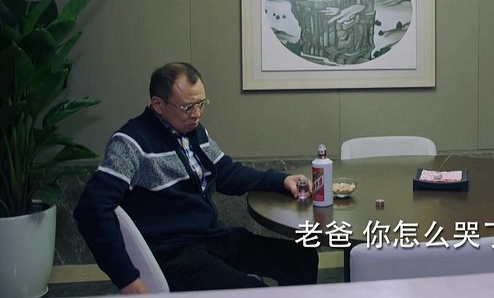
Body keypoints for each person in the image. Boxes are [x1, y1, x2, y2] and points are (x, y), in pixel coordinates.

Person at [74, 62, 318, 293]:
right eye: (187, 107)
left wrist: (281, 181)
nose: (197, 114)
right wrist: (127, 278)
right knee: (257, 293)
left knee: (302, 257)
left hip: (211, 237)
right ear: (158, 104)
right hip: (174, 254)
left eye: (201, 104)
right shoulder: (131, 144)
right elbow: (91, 209)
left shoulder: (193, 132)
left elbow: (227, 173)